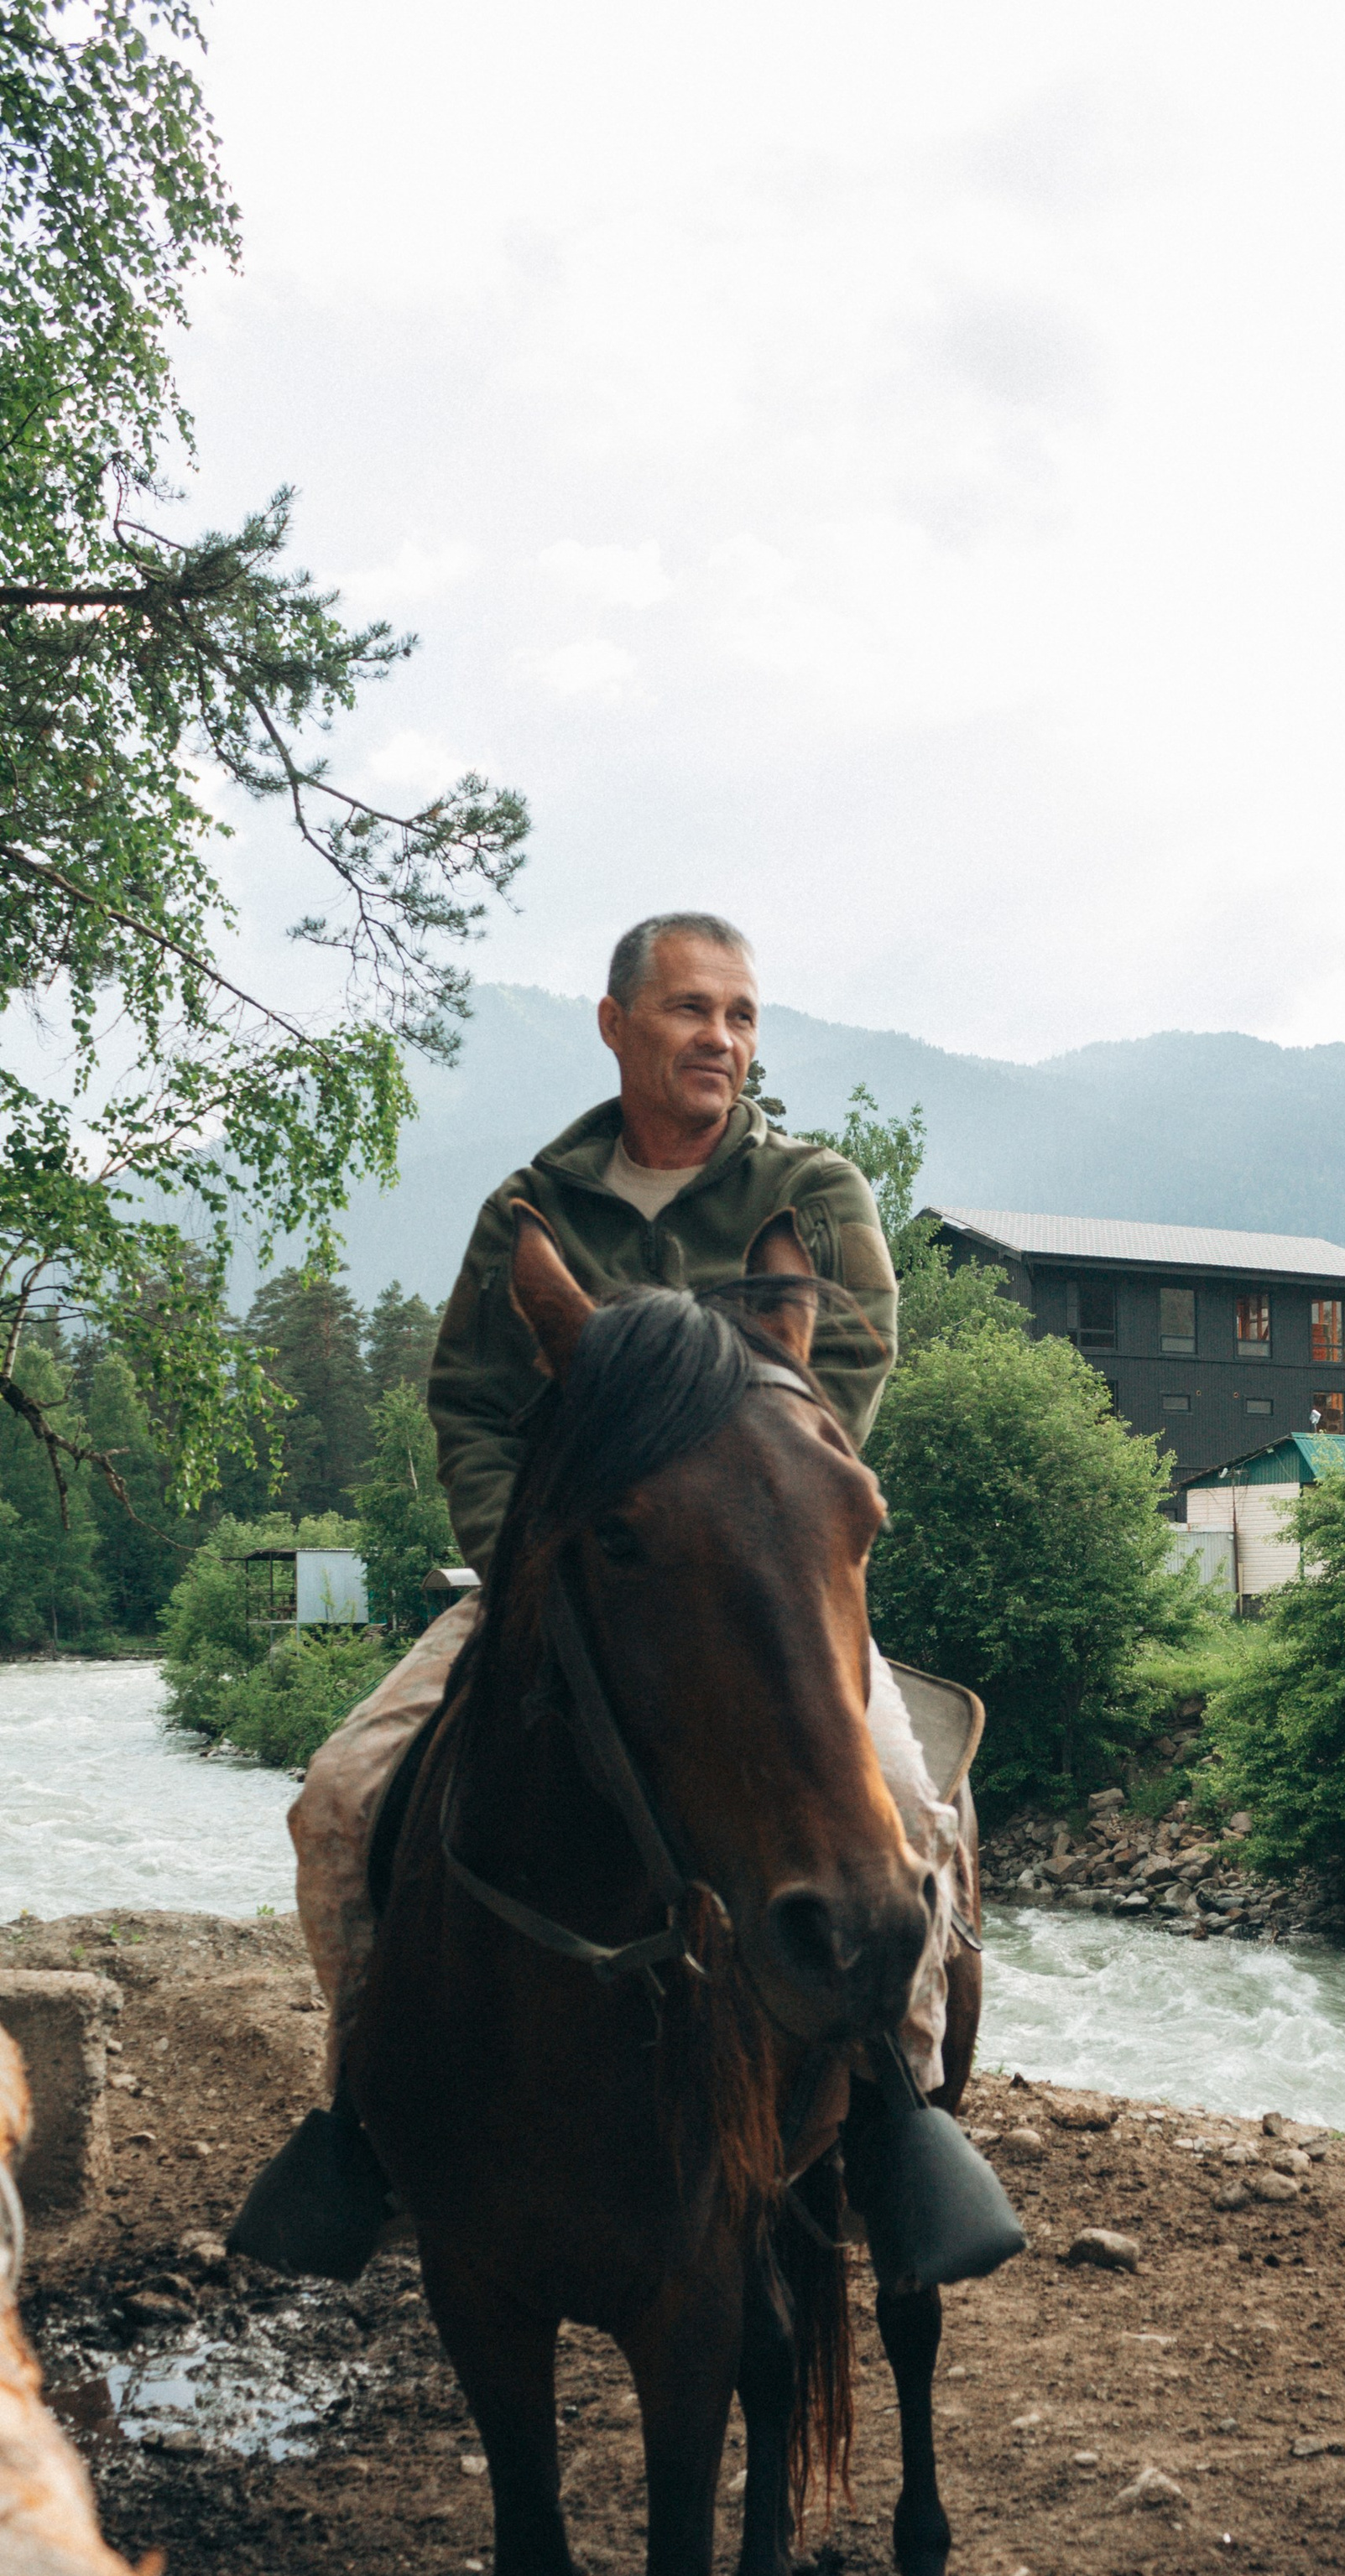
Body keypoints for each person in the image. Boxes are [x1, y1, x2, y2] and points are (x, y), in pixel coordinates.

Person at [233, 910, 1010, 2281]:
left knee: (907, 1804)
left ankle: (896, 2112)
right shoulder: (532, 1209)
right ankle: (366, 2116)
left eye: (741, 1016)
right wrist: (536, 1555)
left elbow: (835, 1398)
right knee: (346, 1797)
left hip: (762, 1587)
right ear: (617, 1024)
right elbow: (472, 1405)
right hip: (563, 1579)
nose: (720, 1038)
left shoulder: (815, 1195)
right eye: (690, 1010)